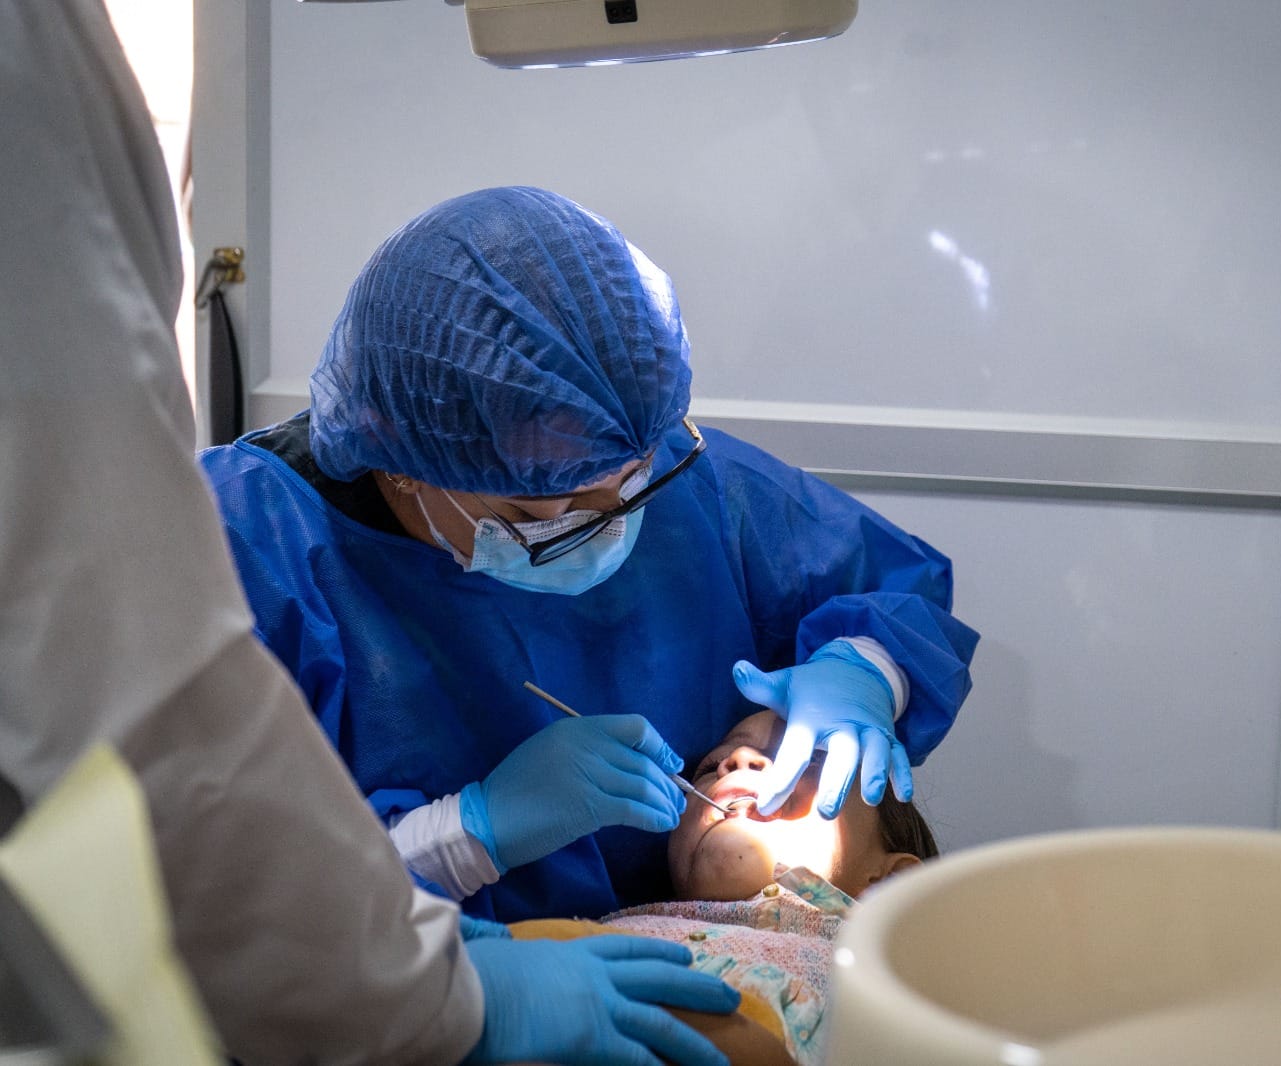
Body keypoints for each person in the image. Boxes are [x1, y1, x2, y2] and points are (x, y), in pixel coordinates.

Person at [0, 5, 738, 1064]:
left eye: (619, 493)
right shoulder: (252, 546)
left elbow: (855, 583)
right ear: (402, 453)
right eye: (530, 514)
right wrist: (463, 868)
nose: (591, 529)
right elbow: (177, 811)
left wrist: (837, 687)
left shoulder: (643, 442)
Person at [197, 185, 980, 922]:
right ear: (401, 458)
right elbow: (217, 895)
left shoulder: (665, 465)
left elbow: (888, 586)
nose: (611, 527)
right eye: (545, 510)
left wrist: (867, 667)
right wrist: (464, 834)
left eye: (632, 483)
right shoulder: (237, 552)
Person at [498, 708, 942, 1066]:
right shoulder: (611, 926)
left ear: (889, 888)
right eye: (710, 767)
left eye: (808, 760)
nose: (739, 759)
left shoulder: (871, 985)